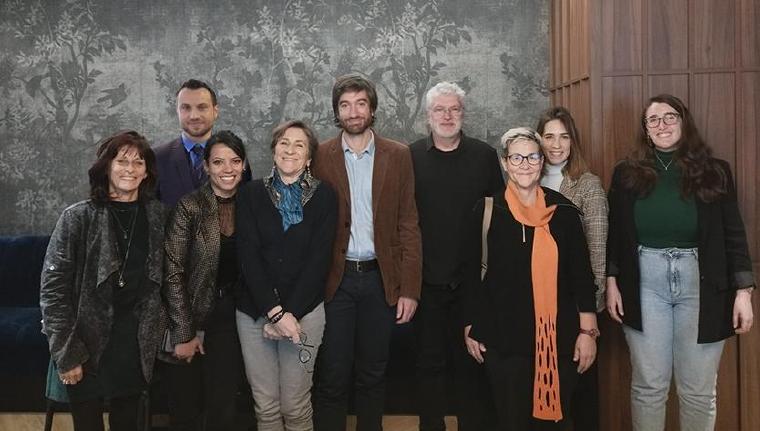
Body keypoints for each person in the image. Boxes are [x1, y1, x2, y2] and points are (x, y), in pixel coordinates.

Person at [606, 94, 755, 431]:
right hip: (644, 281)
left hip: (702, 282)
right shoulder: (626, 173)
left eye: (669, 117)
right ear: (645, 130)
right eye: (653, 120)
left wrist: (743, 292)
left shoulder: (716, 171)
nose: (662, 125)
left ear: (684, 121)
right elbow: (616, 234)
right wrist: (612, 281)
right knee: (648, 386)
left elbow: (734, 232)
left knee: (699, 391)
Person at [463, 127, 598, 430]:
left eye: (532, 157)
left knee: (555, 422)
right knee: (511, 420)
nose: (524, 164)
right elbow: (471, 275)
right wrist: (470, 324)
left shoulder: (562, 211)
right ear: (504, 162)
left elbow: (581, 276)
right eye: (517, 157)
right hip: (502, 340)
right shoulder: (487, 210)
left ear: (541, 162)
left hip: (559, 340)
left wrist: (587, 332)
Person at [312, 74, 422, 431]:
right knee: (333, 375)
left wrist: (409, 288)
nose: (353, 111)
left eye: (360, 103)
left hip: (380, 281)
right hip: (337, 281)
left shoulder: (398, 154)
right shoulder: (320, 156)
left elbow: (408, 223)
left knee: (373, 375)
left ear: (372, 108)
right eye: (345, 105)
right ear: (336, 111)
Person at [40, 131, 166, 431]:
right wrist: (67, 354)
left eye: (139, 162)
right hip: (85, 343)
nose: (130, 169)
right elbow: (53, 292)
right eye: (122, 161)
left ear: (147, 171)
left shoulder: (159, 216)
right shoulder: (77, 217)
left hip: (134, 344)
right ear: (106, 167)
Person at [409, 81, 503, 431]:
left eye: (454, 109)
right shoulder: (411, 156)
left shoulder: (484, 156)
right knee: (428, 365)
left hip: (473, 283)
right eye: (440, 110)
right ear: (428, 116)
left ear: (463, 114)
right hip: (426, 282)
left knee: (471, 364)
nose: (447, 116)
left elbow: (500, 218)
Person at [235, 120, 337, 431]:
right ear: (273, 150)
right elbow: (248, 256)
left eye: (299, 145)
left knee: (295, 404)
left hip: (305, 313)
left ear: (308, 158)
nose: (289, 149)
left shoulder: (325, 196)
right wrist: (275, 313)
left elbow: (319, 261)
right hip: (255, 313)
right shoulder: (250, 194)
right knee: (266, 406)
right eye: (284, 142)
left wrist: (288, 315)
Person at [161, 130, 249, 430]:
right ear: (206, 166)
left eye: (235, 161)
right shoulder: (190, 207)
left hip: (233, 317)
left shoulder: (253, 205)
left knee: (223, 405)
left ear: (244, 165)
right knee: (185, 407)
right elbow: (172, 272)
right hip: (192, 312)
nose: (228, 169)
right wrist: (183, 333)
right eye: (219, 162)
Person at [536, 106, 607, 431]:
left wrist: (588, 315)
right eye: (549, 136)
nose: (556, 144)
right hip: (540, 305)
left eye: (564, 136)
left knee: (579, 393)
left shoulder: (586, 185)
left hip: (576, 306)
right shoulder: (527, 179)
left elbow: (597, 251)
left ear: (573, 141)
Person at [155, 79, 220, 206]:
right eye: (186, 108)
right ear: (177, 111)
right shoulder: (156, 158)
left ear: (215, 111)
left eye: (202, 107)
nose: (194, 116)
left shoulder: (235, 157)